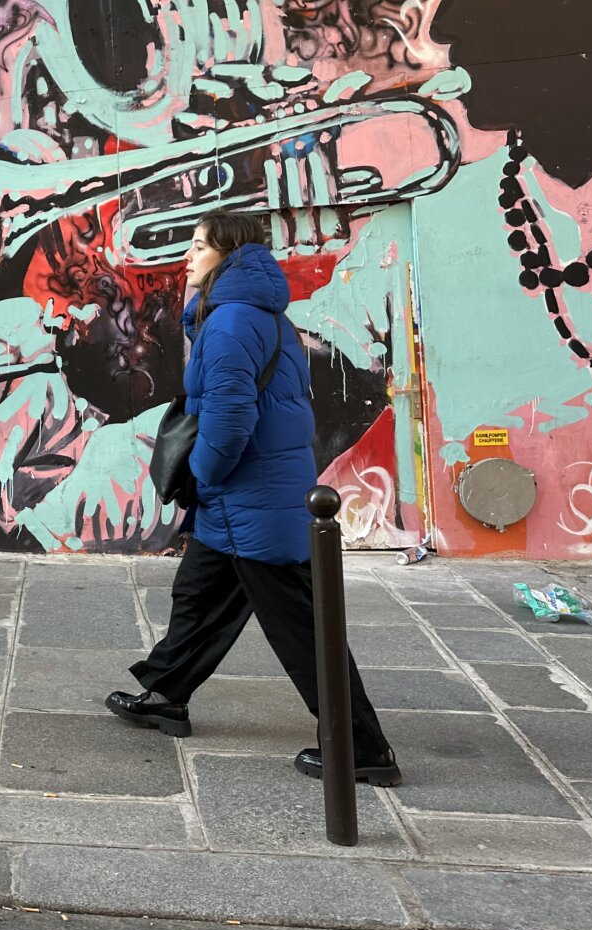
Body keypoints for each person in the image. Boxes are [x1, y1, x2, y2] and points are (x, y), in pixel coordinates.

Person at [104, 211, 401, 786]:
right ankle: (167, 693)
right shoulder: (251, 313)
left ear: (228, 255)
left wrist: (202, 472)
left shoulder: (233, 321)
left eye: (198, 247)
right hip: (248, 495)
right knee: (199, 595)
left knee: (301, 627)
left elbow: (231, 416)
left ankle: (362, 747)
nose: (186, 258)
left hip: (249, 497)